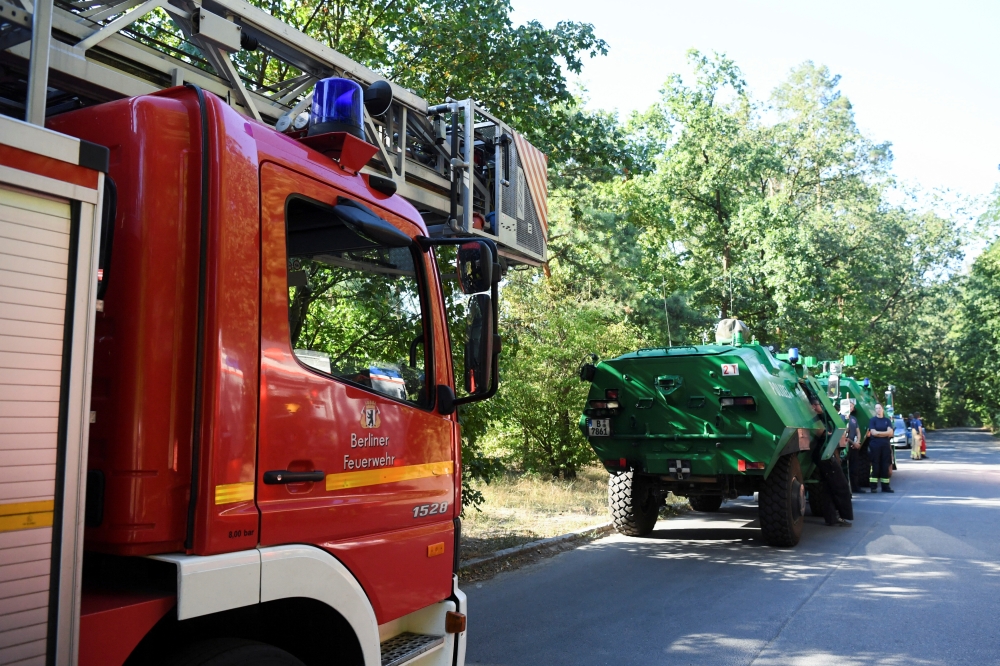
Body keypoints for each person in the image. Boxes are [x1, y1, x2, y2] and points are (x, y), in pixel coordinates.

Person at [809, 395, 853, 525]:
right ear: (813, 407)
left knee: (828, 488)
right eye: (817, 405)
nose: (820, 407)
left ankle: (832, 518)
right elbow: (822, 433)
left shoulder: (820, 418)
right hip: (825, 455)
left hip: (824, 454)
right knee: (840, 486)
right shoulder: (815, 419)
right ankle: (839, 516)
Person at [867, 403, 894, 492]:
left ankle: (885, 487)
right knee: (875, 465)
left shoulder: (887, 420)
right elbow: (873, 433)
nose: (878, 410)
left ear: (882, 409)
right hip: (875, 446)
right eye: (876, 408)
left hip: (885, 445)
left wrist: (879, 433)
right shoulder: (872, 420)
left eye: (879, 408)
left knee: (885, 465)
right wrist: (885, 433)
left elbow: (891, 433)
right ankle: (873, 487)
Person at [844, 401, 864, 492]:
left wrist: (858, 442)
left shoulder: (854, 419)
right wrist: (853, 443)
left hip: (854, 447)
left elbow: (858, 432)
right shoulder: (840, 417)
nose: (852, 408)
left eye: (852, 406)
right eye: (850, 406)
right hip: (845, 447)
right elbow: (844, 434)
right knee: (845, 468)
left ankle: (856, 487)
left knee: (855, 468)